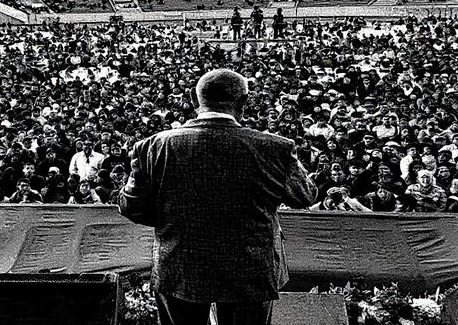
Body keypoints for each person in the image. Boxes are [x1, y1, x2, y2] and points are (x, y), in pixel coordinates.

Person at [119, 69, 317, 325]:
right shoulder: (275, 148)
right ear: (244, 102)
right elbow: (304, 195)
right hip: (250, 268)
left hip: (179, 265)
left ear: (194, 100)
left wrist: (172, 221)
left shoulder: (151, 147)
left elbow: (130, 206)